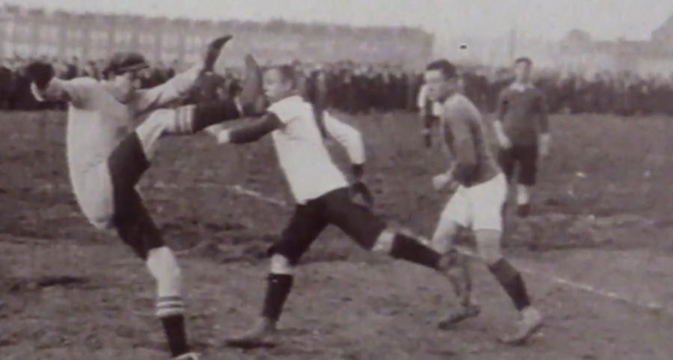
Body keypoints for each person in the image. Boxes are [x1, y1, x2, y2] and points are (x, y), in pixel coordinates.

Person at [27, 35, 266, 360]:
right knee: (159, 122)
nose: (137, 82)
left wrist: (206, 61)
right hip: (95, 187)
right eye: (131, 76)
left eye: (139, 76)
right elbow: (53, 90)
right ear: (110, 75)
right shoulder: (88, 89)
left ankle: (180, 353)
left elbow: (176, 87)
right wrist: (41, 78)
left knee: (168, 268)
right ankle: (242, 106)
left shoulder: (134, 99)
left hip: (119, 195)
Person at [211, 65, 466, 348]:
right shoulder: (307, 110)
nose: (266, 88)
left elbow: (255, 131)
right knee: (283, 256)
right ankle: (266, 326)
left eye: (272, 83)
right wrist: (357, 177)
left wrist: (221, 134)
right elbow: (352, 137)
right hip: (312, 200)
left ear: (289, 86)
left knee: (379, 242)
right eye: (266, 83)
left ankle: (444, 262)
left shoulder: (288, 108)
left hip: (328, 195)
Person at [422, 59, 543, 345]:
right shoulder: (454, 104)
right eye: (427, 83)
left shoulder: (454, 108)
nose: (430, 88)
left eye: (436, 82)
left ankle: (529, 313)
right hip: (470, 186)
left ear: (452, 82)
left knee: (490, 254)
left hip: (485, 187)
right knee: (440, 243)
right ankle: (466, 303)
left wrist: (447, 179)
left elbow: (468, 160)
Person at [494, 57, 551, 217]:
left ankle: (523, 203)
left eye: (527, 69)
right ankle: (501, 202)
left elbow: (543, 120)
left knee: (527, 173)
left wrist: (545, 143)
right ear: (515, 70)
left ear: (530, 71)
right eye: (520, 68)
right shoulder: (506, 93)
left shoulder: (536, 94)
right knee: (504, 173)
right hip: (508, 140)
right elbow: (498, 118)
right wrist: (501, 137)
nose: (523, 72)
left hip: (529, 140)